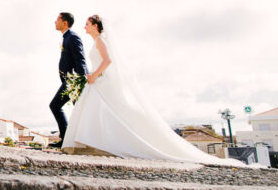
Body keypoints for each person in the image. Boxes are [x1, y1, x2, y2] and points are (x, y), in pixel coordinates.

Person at [61, 15, 240, 165]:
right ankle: (95, 143)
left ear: (94, 26)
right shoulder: (96, 41)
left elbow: (108, 61)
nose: (84, 27)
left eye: (87, 24)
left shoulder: (100, 40)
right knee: (99, 112)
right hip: (97, 81)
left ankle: (103, 143)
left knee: (106, 112)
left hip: (101, 81)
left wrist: (94, 75)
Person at [49, 12, 88, 147]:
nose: (55, 22)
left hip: (74, 81)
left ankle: (68, 139)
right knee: (79, 110)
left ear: (65, 22)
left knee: (55, 105)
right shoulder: (66, 38)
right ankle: (68, 139)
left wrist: (80, 83)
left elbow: (80, 59)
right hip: (69, 81)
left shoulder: (73, 37)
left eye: (57, 19)